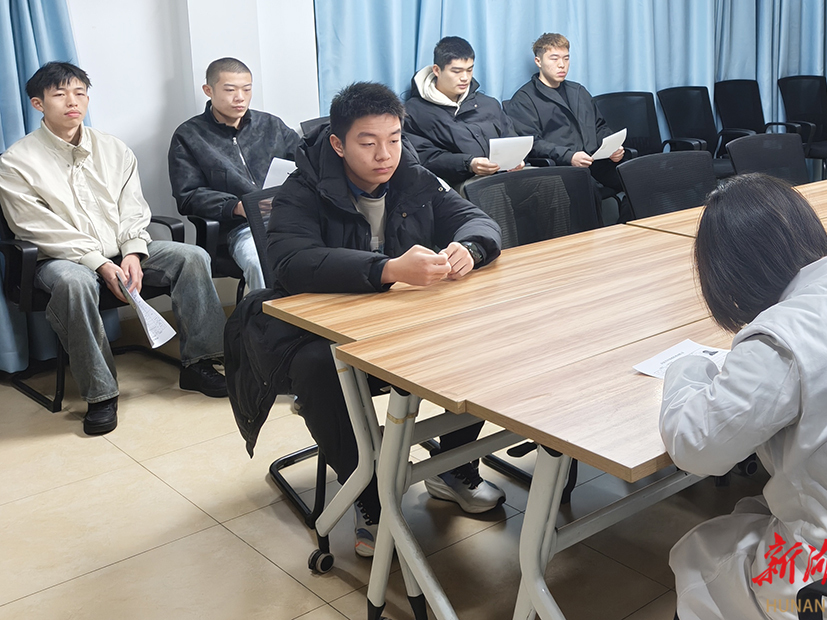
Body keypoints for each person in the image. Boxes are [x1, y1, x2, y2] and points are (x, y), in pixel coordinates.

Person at [225, 82, 505, 558]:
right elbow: (291, 262)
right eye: (368, 142)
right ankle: (367, 494)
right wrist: (387, 269)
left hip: (399, 321)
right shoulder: (302, 188)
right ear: (338, 143)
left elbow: (477, 218)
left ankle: (454, 468)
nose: (385, 155)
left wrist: (470, 248)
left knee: (486, 331)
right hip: (320, 329)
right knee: (320, 364)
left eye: (394, 139)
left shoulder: (413, 175)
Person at [659, 174, 827, 619]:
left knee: (698, 553)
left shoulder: (780, 337)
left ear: (730, 276)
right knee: (753, 510)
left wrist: (685, 369)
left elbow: (696, 448)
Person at [0, 62, 228, 436]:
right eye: (60, 95)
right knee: (75, 283)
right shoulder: (16, 163)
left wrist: (134, 252)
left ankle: (200, 365)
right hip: (60, 258)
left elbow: (133, 208)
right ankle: (101, 394)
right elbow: (38, 229)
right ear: (38, 104)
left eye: (80, 93)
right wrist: (100, 264)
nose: (72, 102)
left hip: (122, 250)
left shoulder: (113, 149)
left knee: (192, 257)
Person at [168, 57, 300, 291]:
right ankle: (270, 314)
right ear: (208, 90)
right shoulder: (189, 135)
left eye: (247, 89)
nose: (240, 97)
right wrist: (236, 207)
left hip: (291, 219)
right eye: (230, 90)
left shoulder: (271, 126)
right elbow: (188, 196)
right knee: (260, 260)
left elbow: (306, 165)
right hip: (242, 228)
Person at [505, 33, 627, 217]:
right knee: (587, 189)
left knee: (636, 177)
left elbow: (599, 126)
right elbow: (532, 143)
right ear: (538, 61)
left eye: (566, 58)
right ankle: (597, 236)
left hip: (594, 160)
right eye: (554, 59)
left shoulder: (578, 91)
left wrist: (612, 147)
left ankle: (632, 228)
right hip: (561, 167)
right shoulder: (524, 99)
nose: (561, 65)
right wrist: (569, 156)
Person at [404, 36, 522, 188]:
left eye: (469, 70)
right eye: (456, 71)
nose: (465, 78)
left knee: (545, 185)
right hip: (457, 184)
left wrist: (516, 158)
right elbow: (423, 156)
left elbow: (510, 136)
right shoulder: (414, 112)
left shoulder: (489, 104)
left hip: (505, 177)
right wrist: (468, 164)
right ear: (437, 70)